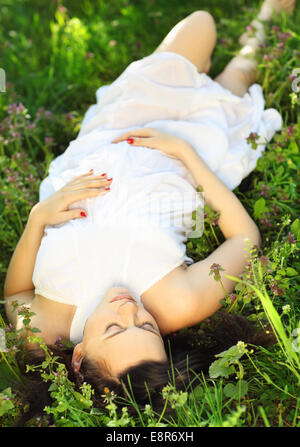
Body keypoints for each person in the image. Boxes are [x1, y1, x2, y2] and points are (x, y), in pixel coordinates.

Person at [3, 0, 294, 423]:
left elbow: (15, 294)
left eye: (115, 329)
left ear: (80, 356)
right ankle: (271, 14)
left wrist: (37, 220)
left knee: (201, 25)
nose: (130, 309)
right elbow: (246, 241)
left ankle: (205, 71)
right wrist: (186, 154)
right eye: (148, 327)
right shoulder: (178, 303)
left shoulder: (45, 329)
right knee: (231, 70)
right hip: (184, 155)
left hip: (116, 132)